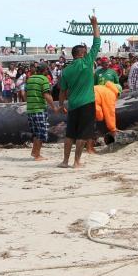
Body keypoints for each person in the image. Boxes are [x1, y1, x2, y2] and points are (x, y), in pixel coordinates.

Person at [58, 15, 100, 168]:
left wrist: (61, 105)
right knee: (82, 135)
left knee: (70, 134)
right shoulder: (88, 62)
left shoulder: (66, 70)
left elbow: (62, 91)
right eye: (86, 51)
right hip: (87, 103)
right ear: (82, 53)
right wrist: (94, 24)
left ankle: (64, 161)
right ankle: (76, 162)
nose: (88, 52)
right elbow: (97, 41)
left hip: (73, 104)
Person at [26, 62, 57, 160]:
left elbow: (26, 93)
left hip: (30, 109)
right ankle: (37, 155)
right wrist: (54, 107)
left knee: (35, 132)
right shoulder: (44, 79)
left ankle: (34, 152)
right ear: (45, 70)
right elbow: (46, 95)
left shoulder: (30, 78)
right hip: (39, 109)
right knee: (41, 133)